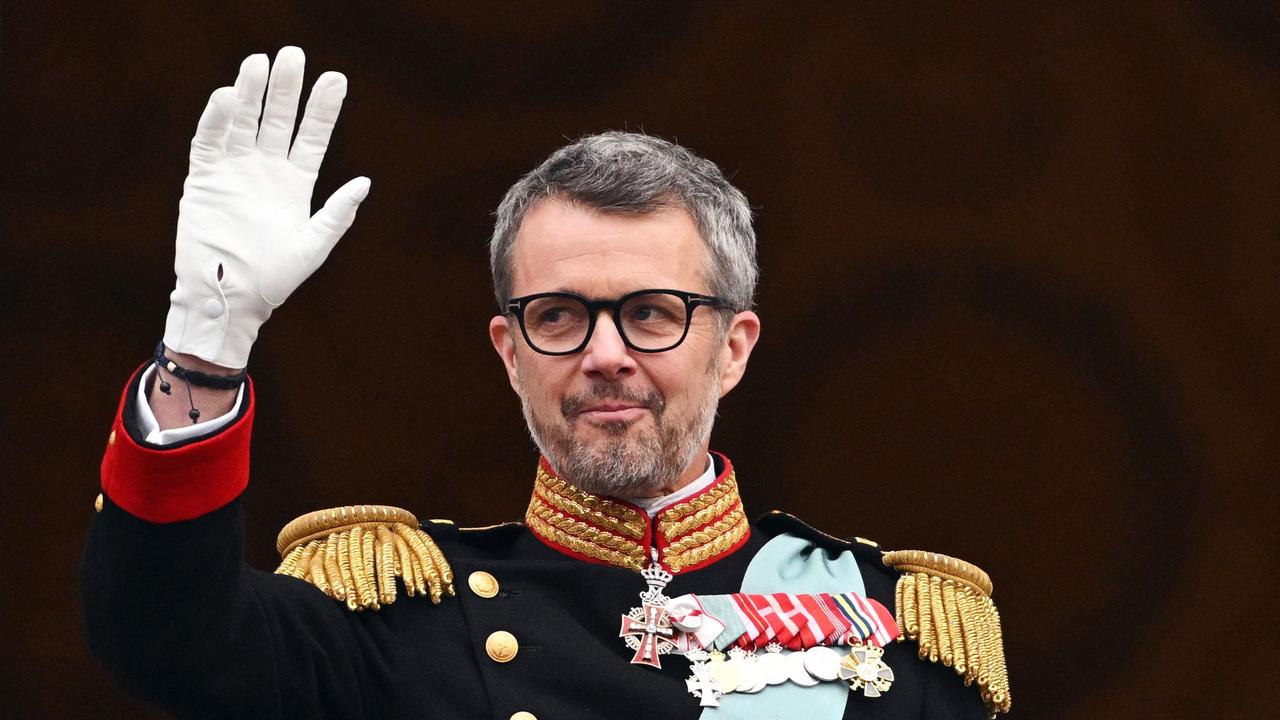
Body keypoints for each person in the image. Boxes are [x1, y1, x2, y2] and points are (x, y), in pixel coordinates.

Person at [82, 47, 1010, 720]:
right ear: (510, 351)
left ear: (733, 347)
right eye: (559, 317)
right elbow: (165, 637)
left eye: (651, 313)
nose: (605, 353)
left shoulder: (894, 625)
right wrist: (207, 341)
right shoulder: (400, 620)